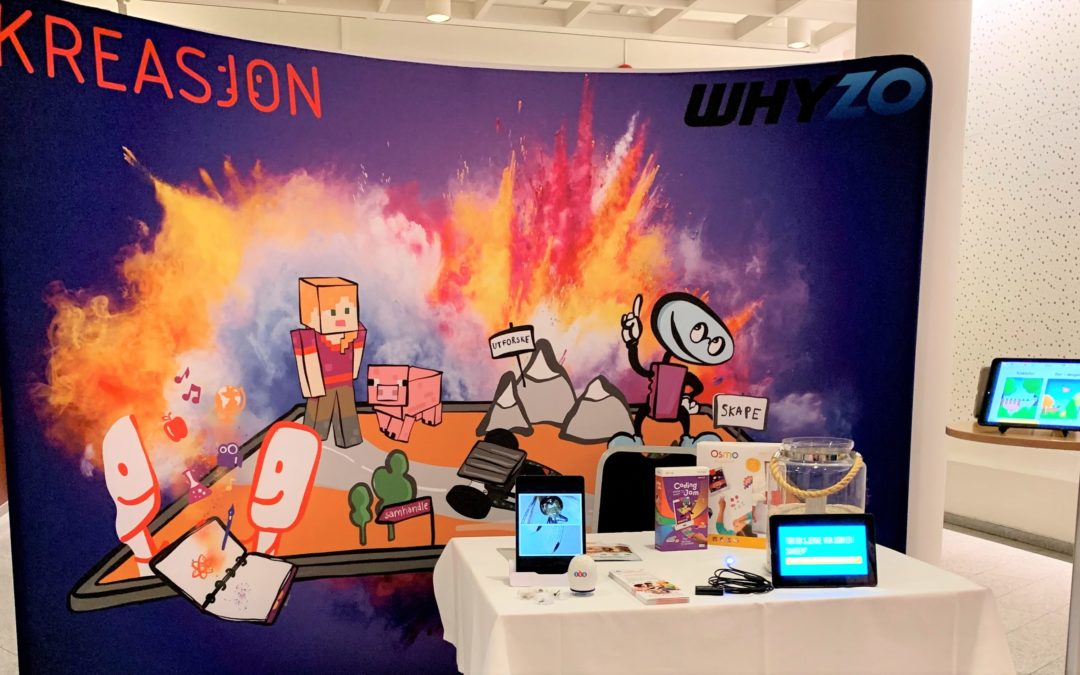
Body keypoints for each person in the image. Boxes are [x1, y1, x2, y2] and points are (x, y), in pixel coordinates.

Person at [619, 292, 734, 446]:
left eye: (716, 344)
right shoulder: (659, 369)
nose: (706, 339)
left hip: (674, 410)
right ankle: (637, 437)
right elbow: (638, 368)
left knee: (681, 414)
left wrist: (688, 396)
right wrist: (632, 342)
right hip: (654, 407)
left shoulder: (682, 374)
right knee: (644, 412)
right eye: (698, 328)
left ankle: (686, 438)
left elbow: (698, 386)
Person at [291, 277, 366, 448]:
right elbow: (307, 360)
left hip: (345, 381)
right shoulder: (310, 337)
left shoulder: (353, 334)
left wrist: (353, 372)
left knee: (347, 412)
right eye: (332, 313)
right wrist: (313, 386)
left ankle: (349, 439)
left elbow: (357, 352)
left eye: (346, 310)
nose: (340, 318)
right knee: (319, 415)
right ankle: (311, 441)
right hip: (323, 383)